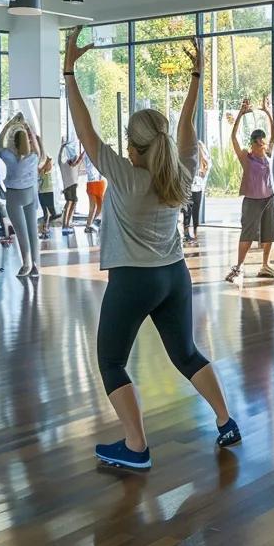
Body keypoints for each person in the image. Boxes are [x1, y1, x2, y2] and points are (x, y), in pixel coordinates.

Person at [63, 29, 240, 470]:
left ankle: (136, 446)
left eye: (127, 141)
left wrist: (69, 72)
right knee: (186, 353)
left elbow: (85, 132)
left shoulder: (126, 176)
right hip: (174, 276)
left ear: (133, 146)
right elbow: (187, 127)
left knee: (111, 361)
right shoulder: (181, 172)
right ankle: (225, 421)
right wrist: (196, 77)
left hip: (133, 279)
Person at [226, 95, 274, 283]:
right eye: (260, 143)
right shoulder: (245, 157)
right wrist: (240, 114)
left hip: (269, 198)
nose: (263, 145)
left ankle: (265, 264)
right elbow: (233, 137)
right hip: (251, 200)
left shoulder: (268, 154)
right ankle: (239, 266)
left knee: (269, 233)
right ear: (253, 143)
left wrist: (268, 112)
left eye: (264, 143)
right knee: (247, 233)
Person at [0, 113, 42, 277]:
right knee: (32, 231)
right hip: (29, 194)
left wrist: (9, 124)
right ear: (28, 141)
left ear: (14, 142)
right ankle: (35, 265)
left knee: (21, 232)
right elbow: (37, 147)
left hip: (14, 196)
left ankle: (26, 264)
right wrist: (28, 128)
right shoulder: (33, 157)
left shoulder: (10, 157)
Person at [182, 141, 210, 244]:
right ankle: (188, 233)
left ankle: (194, 232)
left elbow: (205, 172)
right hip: (190, 187)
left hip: (197, 188)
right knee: (188, 210)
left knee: (193, 210)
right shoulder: (190, 160)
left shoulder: (203, 163)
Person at [58, 138, 83, 235]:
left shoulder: (75, 166)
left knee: (74, 203)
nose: (74, 161)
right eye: (72, 159)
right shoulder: (64, 166)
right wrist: (62, 147)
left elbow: (80, 158)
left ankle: (68, 223)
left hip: (73, 187)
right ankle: (64, 225)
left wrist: (85, 149)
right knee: (69, 203)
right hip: (68, 188)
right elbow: (59, 158)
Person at [37, 156, 59, 238]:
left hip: (48, 191)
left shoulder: (47, 170)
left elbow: (49, 167)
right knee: (46, 213)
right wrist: (47, 161)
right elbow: (44, 168)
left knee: (51, 213)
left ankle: (45, 227)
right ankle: (44, 229)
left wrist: (48, 161)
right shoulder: (42, 169)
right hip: (43, 192)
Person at [85, 154, 106, 233]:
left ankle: (92, 224)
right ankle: (88, 226)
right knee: (93, 207)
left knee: (100, 207)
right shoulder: (88, 154)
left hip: (100, 182)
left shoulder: (100, 155)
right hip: (92, 182)